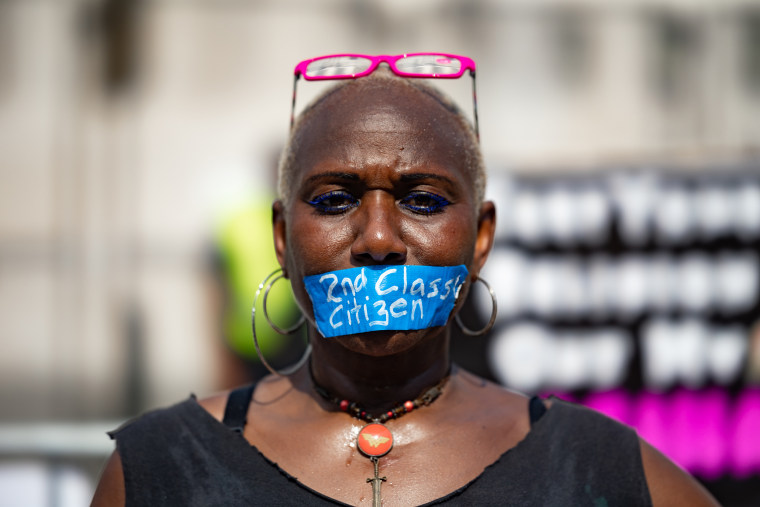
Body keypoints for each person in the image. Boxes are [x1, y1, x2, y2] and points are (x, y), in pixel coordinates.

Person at [92, 54, 718, 506]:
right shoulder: (158, 468)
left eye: (423, 201)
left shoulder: (601, 468)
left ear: (480, 240)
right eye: (334, 200)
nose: (380, 240)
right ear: (282, 238)